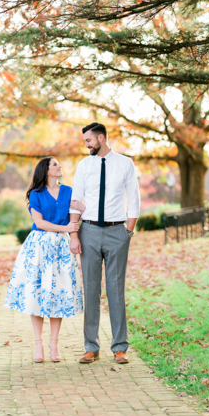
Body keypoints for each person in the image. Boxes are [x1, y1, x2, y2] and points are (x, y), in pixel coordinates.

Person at [68, 121, 140, 365]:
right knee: (91, 290)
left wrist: (128, 232)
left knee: (115, 290)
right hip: (88, 231)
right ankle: (91, 347)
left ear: (100, 138)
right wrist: (74, 234)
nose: (86, 145)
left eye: (88, 140)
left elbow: (135, 200)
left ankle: (120, 348)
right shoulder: (84, 165)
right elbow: (76, 200)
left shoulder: (125, 164)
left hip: (116, 232)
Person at [4, 157, 83, 362]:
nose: (59, 166)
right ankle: (38, 344)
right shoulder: (35, 194)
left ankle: (54, 344)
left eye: (59, 163)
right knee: (37, 292)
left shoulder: (69, 191)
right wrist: (66, 228)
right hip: (39, 246)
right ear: (46, 171)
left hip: (61, 248)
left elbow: (78, 214)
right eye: (55, 164)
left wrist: (78, 217)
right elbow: (39, 222)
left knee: (58, 293)